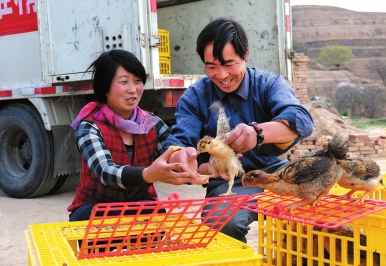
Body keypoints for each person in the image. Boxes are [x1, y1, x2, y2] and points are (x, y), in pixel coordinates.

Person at [167, 17, 314, 243]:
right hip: (226, 180)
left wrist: (259, 134)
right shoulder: (195, 97)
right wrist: (185, 158)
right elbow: (178, 144)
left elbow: (302, 121)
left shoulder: (268, 84)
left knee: (313, 213)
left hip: (274, 173)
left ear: (246, 55)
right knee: (223, 223)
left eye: (229, 64)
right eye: (211, 66)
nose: (222, 75)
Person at [67, 49, 202, 222]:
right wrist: (148, 174)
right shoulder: (89, 127)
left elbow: (170, 149)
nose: (133, 90)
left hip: (140, 206)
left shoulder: (151, 123)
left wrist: (183, 158)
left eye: (138, 81)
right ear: (105, 87)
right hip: (94, 208)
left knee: (154, 214)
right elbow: (105, 171)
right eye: (124, 82)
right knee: (102, 216)